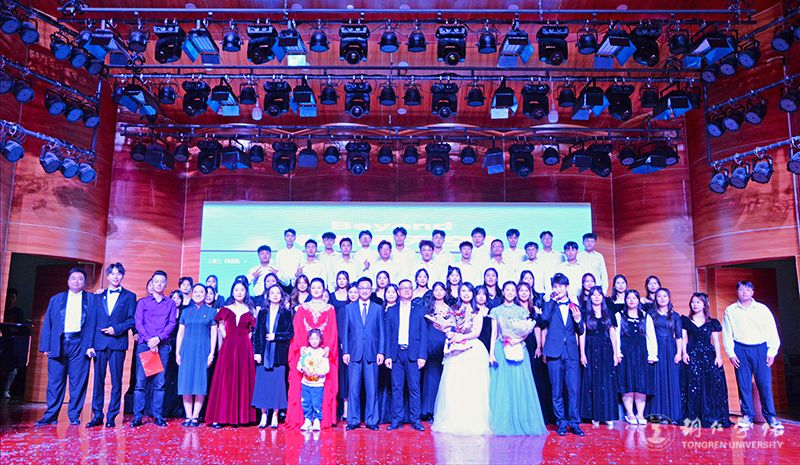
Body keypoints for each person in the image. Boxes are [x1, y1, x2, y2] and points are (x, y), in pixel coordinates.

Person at [35, 268, 97, 427]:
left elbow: (95, 324)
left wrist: (91, 345)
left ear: (85, 282)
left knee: (78, 383)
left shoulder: (92, 300)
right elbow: (48, 323)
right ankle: (51, 415)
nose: (77, 281)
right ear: (68, 281)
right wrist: (46, 345)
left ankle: (74, 415)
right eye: (74, 278)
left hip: (80, 344)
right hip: (59, 344)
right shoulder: (56, 299)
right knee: (55, 382)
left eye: (80, 279)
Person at [432, 283, 492, 435]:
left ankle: (473, 421)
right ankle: (454, 420)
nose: (466, 294)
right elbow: (448, 328)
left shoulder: (477, 311)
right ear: (459, 293)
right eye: (463, 291)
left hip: (472, 349)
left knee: (472, 386)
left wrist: (461, 337)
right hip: (456, 350)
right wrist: (449, 333)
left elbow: (477, 332)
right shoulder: (453, 310)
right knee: (455, 384)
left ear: (473, 294)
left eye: (469, 291)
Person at [488, 281, 547, 436]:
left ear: (515, 293)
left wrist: (517, 340)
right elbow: (494, 333)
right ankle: (502, 421)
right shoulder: (495, 311)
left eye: (512, 290)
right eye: (507, 289)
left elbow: (526, 331)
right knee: (503, 386)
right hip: (501, 348)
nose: (510, 292)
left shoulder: (521, 311)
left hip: (519, 348)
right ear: (503, 292)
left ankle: (521, 420)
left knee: (520, 385)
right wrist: (491, 353)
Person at [722, 281, 782, 430]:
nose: (744, 292)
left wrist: (772, 351)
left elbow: (772, 330)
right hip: (740, 349)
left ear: (752, 292)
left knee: (765, 385)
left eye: (748, 290)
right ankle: (747, 416)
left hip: (760, 349)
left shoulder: (762, 309)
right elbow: (727, 333)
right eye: (741, 290)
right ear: (737, 292)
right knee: (744, 385)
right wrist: (731, 353)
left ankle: (770, 417)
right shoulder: (731, 310)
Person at [87, 263, 137, 428]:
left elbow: (132, 320)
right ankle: (97, 415)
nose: (116, 277)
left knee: (116, 381)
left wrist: (116, 329)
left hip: (118, 343)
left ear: (122, 276)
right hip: (99, 343)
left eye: (119, 274)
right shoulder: (97, 296)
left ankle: (111, 416)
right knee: (98, 381)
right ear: (107, 276)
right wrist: (90, 345)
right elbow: (92, 321)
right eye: (113, 274)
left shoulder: (130, 296)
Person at [287, 278, 339, 429]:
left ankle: (320, 418)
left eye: (319, 288)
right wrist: (302, 346)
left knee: (322, 386)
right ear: (310, 289)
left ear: (323, 290)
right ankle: (305, 418)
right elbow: (298, 329)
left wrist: (328, 347)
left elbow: (332, 331)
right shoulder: (302, 308)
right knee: (303, 387)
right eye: (314, 287)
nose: (316, 290)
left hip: (323, 353)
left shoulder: (330, 309)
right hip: (306, 351)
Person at [537, 273, 585, 436]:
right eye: (555, 286)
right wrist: (552, 300)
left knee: (573, 389)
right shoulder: (549, 305)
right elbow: (543, 320)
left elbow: (581, 330)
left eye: (560, 286)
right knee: (556, 390)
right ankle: (561, 423)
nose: (558, 289)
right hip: (553, 352)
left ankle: (574, 422)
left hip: (571, 352)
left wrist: (578, 320)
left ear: (567, 287)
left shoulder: (574, 306)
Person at [206, 277, 257, 428]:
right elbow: (220, 325)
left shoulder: (250, 310)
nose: (239, 292)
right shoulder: (226, 309)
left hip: (244, 348)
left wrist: (246, 342)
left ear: (246, 292)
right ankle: (221, 417)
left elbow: (251, 331)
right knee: (225, 380)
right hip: (228, 346)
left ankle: (241, 417)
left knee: (242, 379)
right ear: (232, 292)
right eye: (236, 290)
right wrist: (226, 336)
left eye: (242, 290)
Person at [130, 270, 177, 428]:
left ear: (165, 283)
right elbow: (139, 323)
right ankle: (138, 416)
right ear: (151, 283)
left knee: (160, 382)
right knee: (141, 382)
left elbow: (171, 323)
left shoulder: (170, 303)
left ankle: (158, 415)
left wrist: (159, 338)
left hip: (162, 346)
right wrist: (150, 340)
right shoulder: (143, 302)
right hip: (145, 344)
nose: (159, 284)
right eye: (156, 281)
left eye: (162, 281)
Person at [682, 292, 733, 428]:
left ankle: (711, 414)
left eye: (698, 302)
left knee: (711, 384)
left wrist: (718, 356)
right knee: (693, 385)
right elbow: (684, 338)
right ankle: (694, 416)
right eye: (693, 302)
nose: (695, 305)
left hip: (708, 355)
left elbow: (715, 340)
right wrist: (684, 353)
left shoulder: (712, 322)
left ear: (704, 304)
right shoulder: (685, 321)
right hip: (692, 354)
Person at [343, 277, 385, 430]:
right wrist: (345, 351)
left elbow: (382, 332)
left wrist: (381, 352)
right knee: (353, 389)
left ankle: (371, 420)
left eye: (367, 288)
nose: (365, 291)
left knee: (372, 389)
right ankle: (353, 420)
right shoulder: (349, 308)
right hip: (354, 353)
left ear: (371, 290)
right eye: (362, 288)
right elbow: (345, 332)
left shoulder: (377, 308)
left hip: (372, 353)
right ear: (358, 290)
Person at [384, 279, 427, 431]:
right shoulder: (391, 310)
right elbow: (388, 334)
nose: (406, 290)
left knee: (414, 388)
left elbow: (424, 334)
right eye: (403, 288)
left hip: (413, 354)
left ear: (412, 291)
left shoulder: (420, 309)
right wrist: (387, 356)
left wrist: (422, 356)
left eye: (409, 288)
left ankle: (416, 420)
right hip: (396, 354)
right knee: (396, 388)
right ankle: (397, 419)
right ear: (398, 292)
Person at [252, 284, 294, 428]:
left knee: (278, 386)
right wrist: (257, 352)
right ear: (268, 296)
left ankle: (275, 415)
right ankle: (264, 415)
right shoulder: (262, 313)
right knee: (263, 385)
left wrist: (276, 336)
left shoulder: (286, 313)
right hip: (264, 354)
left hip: (279, 355)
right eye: (272, 293)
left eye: (278, 293)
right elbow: (257, 334)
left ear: (281, 296)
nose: (275, 295)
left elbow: (290, 333)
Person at [176, 284, 217, 427]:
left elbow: (213, 334)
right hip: (187, 350)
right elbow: (180, 333)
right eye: (196, 292)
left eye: (201, 292)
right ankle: (188, 416)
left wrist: (211, 353)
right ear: (192, 294)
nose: (198, 294)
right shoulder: (186, 312)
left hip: (203, 350)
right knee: (186, 382)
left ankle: (195, 416)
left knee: (200, 382)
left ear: (206, 295)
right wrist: (177, 352)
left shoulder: (212, 312)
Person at [579, 286, 620, 427]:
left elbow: (613, 334)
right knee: (592, 381)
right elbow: (582, 333)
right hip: (590, 349)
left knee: (606, 382)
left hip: (605, 349)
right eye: (594, 295)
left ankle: (607, 415)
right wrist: (582, 353)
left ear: (602, 297)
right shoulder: (585, 313)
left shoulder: (608, 313)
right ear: (589, 297)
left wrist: (615, 353)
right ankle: (594, 416)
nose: (596, 297)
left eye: (599, 294)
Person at [616, 290, 658, 425]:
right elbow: (616, 336)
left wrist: (652, 354)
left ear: (639, 300)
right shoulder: (619, 315)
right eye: (629, 298)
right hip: (625, 354)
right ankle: (630, 413)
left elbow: (651, 336)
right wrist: (617, 353)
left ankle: (640, 414)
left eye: (634, 298)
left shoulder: (646, 316)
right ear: (625, 300)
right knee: (627, 384)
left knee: (641, 384)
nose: (631, 300)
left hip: (642, 354)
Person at [645, 287, 683, 424]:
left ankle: (673, 415)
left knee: (671, 380)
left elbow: (679, 336)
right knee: (657, 379)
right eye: (659, 296)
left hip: (671, 349)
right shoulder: (650, 314)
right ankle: (657, 414)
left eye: (665, 296)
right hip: (656, 348)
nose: (662, 298)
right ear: (655, 298)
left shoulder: (675, 316)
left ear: (669, 298)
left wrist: (679, 352)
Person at [421, 282, 448, 422]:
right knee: (430, 378)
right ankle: (428, 410)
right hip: (430, 343)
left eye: (441, 290)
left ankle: (440, 410)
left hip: (444, 344)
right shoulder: (428, 308)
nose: (438, 292)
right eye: (436, 290)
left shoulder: (451, 309)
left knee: (442, 378)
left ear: (445, 292)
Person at [297, 329, 331, 431]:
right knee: (306, 402)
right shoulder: (306, 351)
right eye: (312, 339)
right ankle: (307, 420)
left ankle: (316, 420)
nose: (314, 341)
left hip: (318, 384)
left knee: (316, 403)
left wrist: (317, 372)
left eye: (317, 338)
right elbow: (299, 365)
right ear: (308, 340)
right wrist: (304, 369)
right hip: (306, 383)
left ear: (320, 340)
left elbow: (326, 368)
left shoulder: (323, 352)